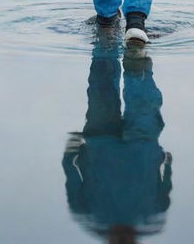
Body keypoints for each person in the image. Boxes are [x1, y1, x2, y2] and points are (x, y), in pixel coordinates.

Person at [62, 34, 173, 242]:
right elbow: (71, 177)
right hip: (102, 144)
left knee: (142, 105)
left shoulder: (152, 216)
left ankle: (133, 67)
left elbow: (165, 187)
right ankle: (108, 52)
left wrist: (167, 162)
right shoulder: (89, 215)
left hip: (135, 145)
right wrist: (70, 152)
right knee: (101, 90)